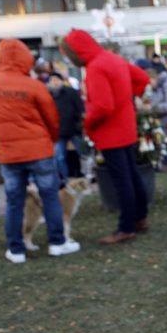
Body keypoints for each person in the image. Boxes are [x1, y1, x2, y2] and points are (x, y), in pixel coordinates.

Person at [0, 39, 80, 262]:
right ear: (24, 58)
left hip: (8, 153)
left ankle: (16, 249)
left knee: (14, 200)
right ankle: (57, 242)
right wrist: (50, 140)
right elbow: (52, 119)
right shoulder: (33, 85)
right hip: (39, 150)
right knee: (51, 196)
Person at [61, 29, 151, 244]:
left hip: (111, 132)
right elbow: (142, 77)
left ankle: (126, 227)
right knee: (131, 175)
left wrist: (87, 124)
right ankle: (139, 218)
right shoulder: (112, 59)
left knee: (122, 181)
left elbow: (102, 106)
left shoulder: (95, 67)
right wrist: (129, 100)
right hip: (126, 127)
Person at [47, 71, 85, 182]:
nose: (54, 82)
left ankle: (88, 174)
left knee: (83, 153)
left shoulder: (70, 92)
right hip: (58, 132)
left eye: (56, 80)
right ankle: (64, 179)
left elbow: (80, 108)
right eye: (52, 80)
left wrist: (79, 122)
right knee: (59, 157)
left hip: (73, 128)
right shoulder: (48, 95)